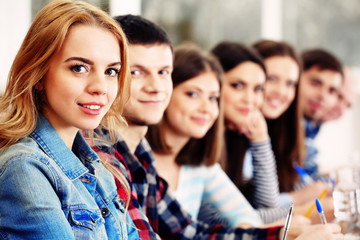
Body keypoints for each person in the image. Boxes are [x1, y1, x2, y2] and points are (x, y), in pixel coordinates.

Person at [0, 0, 140, 239]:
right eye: (79, 68)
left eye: (111, 71)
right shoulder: (24, 168)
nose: (100, 87)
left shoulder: (96, 165)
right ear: (39, 73)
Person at [146, 43, 263, 228]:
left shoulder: (199, 166)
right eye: (192, 94)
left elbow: (247, 217)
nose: (206, 108)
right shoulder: (136, 160)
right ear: (164, 93)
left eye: (213, 98)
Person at [252, 40, 332, 209]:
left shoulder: (280, 131)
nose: (281, 91)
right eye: (272, 79)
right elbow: (259, 209)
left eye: (290, 84)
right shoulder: (241, 135)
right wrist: (297, 202)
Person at [300, 49, 343, 179]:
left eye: (331, 90)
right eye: (315, 83)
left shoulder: (310, 127)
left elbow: (307, 176)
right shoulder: (278, 128)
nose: (322, 96)